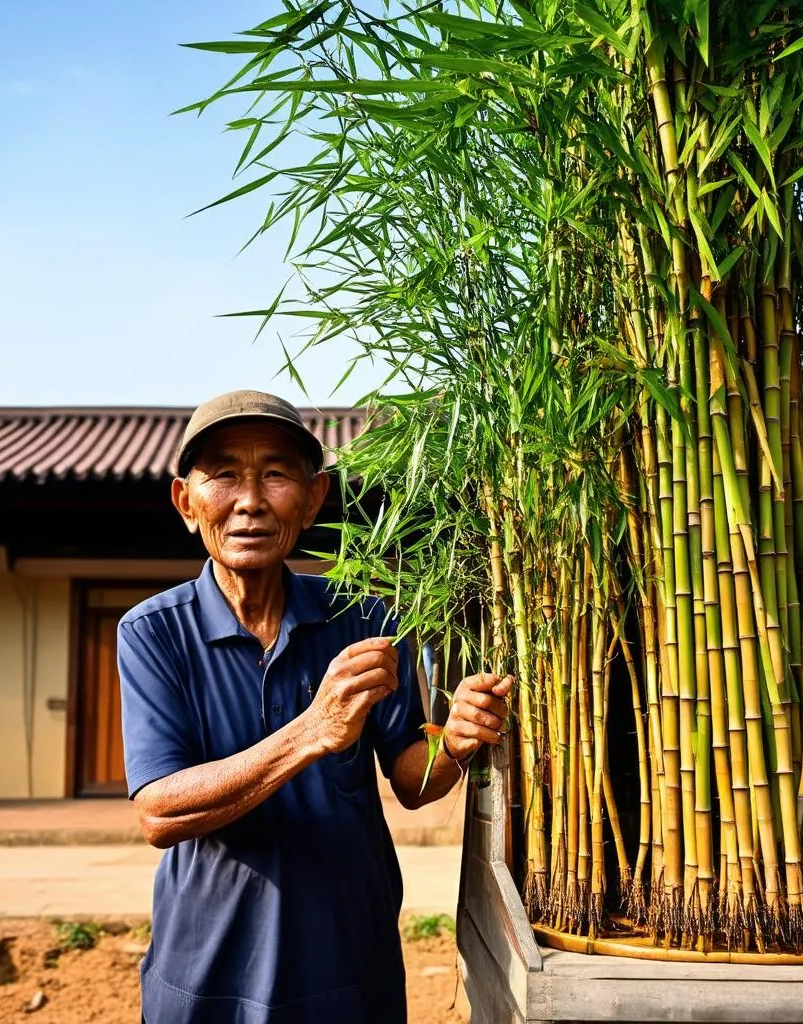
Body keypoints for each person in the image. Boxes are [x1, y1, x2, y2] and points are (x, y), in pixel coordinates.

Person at [119, 390, 513, 1024]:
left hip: (349, 961)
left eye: (275, 473)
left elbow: (410, 779)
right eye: (223, 475)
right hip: (208, 966)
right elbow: (160, 813)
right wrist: (311, 732)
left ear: (313, 498)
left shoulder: (361, 614)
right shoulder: (154, 632)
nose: (250, 500)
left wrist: (457, 740)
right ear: (185, 503)